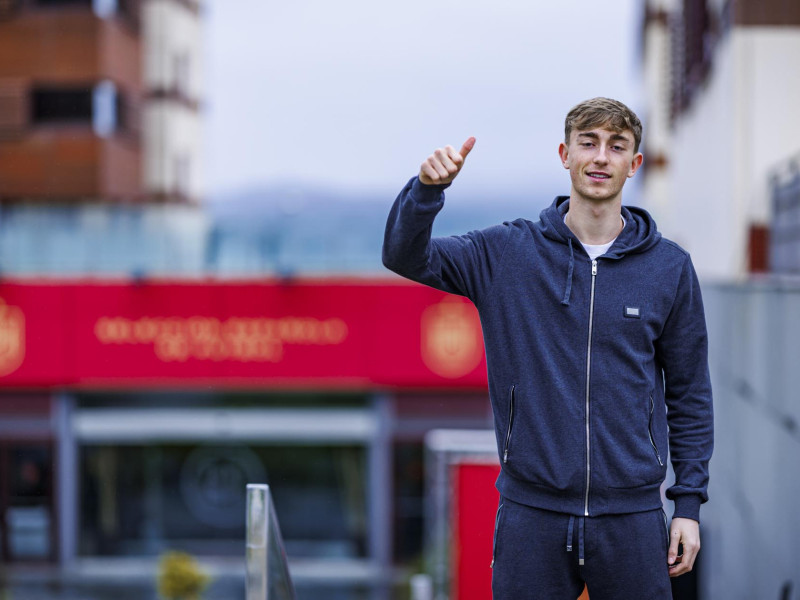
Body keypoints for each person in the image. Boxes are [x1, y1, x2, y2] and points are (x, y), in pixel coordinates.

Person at [382, 97, 713, 599]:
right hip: (530, 517)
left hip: (632, 518)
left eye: (616, 146)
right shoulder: (507, 254)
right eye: (588, 143)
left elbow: (689, 394)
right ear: (565, 154)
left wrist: (686, 505)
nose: (601, 157)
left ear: (633, 164)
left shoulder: (668, 269)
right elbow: (405, 255)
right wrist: (427, 191)